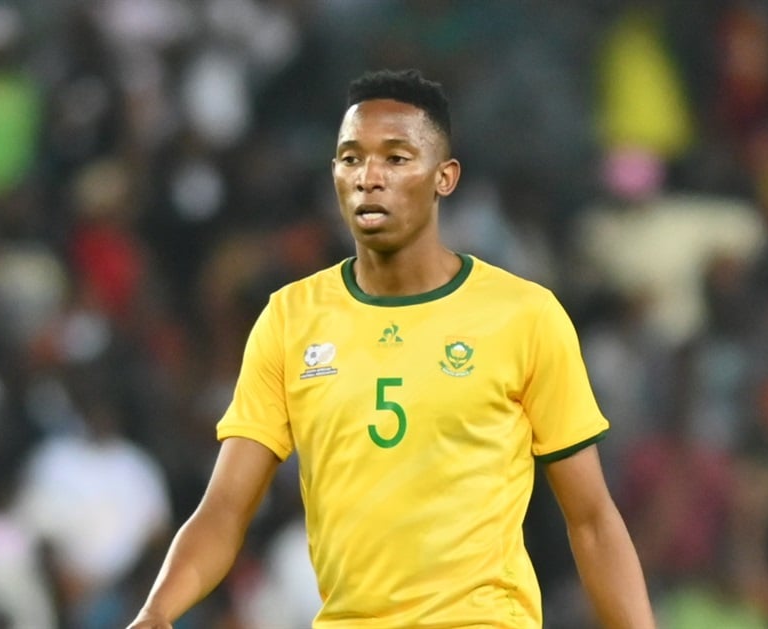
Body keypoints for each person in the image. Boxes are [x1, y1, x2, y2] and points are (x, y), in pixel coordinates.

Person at [127, 68, 655, 628]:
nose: (369, 177)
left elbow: (592, 518)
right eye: (351, 158)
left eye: (396, 159)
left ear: (444, 178)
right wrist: (158, 612)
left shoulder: (523, 315)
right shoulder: (291, 318)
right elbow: (225, 511)